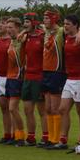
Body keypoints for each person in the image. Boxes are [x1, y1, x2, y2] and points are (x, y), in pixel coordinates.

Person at [48, 15, 80, 150]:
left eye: (68, 24)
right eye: (64, 24)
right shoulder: (66, 37)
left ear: (76, 25)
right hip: (70, 78)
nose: (65, 26)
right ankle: (63, 140)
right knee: (62, 109)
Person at [21, 13, 48, 146]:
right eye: (24, 22)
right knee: (27, 109)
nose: (25, 24)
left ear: (34, 22)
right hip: (28, 76)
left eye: (27, 22)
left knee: (41, 110)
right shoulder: (25, 37)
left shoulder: (42, 36)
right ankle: (30, 137)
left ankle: (45, 137)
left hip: (39, 76)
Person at [5, 17, 26, 146]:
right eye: (7, 27)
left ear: (18, 28)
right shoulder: (11, 41)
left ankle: (21, 136)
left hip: (18, 78)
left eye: (11, 27)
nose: (8, 30)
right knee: (12, 109)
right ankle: (15, 136)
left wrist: (23, 32)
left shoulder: (22, 39)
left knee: (13, 108)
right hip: (10, 77)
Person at [0, 17, 13, 144]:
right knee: (4, 108)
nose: (1, 25)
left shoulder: (14, 41)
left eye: (4, 23)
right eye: (0, 23)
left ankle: (16, 135)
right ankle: (7, 135)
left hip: (11, 77)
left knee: (12, 108)